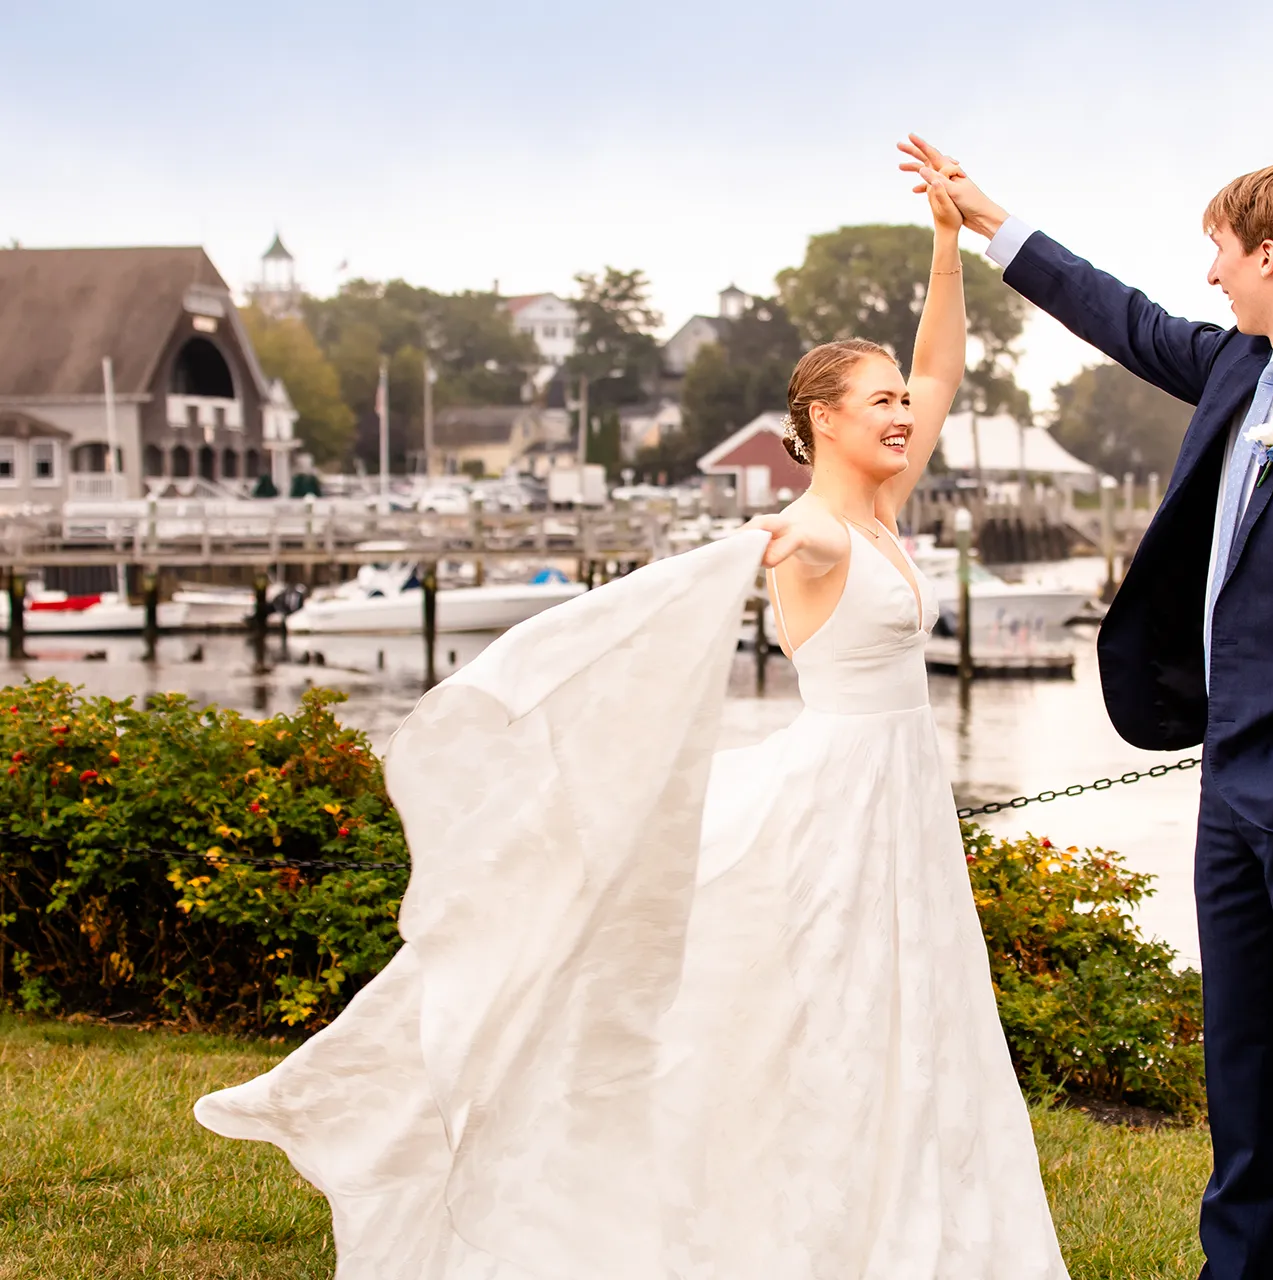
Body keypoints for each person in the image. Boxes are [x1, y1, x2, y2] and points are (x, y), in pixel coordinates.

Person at [194, 169, 1068, 1280]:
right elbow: (733, 568)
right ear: (821, 422)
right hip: (837, 810)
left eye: (900, 398)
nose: (905, 409)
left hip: (901, 804)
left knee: (921, 1014)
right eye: (881, 400)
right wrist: (741, 552)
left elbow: (944, 360)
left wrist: (947, 243)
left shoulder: (886, 510)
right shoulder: (814, 534)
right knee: (827, 1020)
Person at [899, 135, 1273, 1279]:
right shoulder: (1238, 371)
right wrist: (988, 219)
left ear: (1270, 253)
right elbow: (1114, 314)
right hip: (1229, 785)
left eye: (1219, 252)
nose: (1207, 276)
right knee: (1242, 1064)